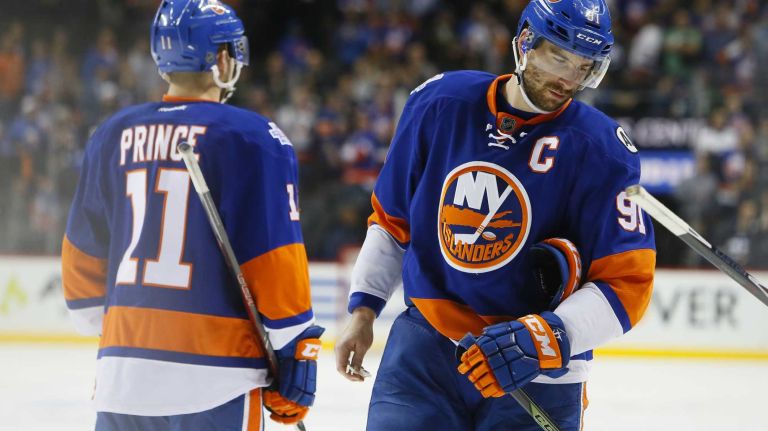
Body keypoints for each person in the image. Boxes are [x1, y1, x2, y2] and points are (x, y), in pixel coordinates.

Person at [334, 0, 656, 430]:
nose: (569, 78)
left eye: (584, 66)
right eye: (559, 56)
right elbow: (394, 223)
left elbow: (628, 284)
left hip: (537, 370)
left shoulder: (603, 150)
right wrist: (363, 310)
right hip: (425, 350)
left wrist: (544, 337)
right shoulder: (439, 103)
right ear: (526, 42)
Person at [61, 1, 323, 429]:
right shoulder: (255, 138)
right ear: (222, 58)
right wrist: (297, 350)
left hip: (122, 379)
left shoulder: (111, 134)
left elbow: (81, 276)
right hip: (219, 381)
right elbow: (276, 261)